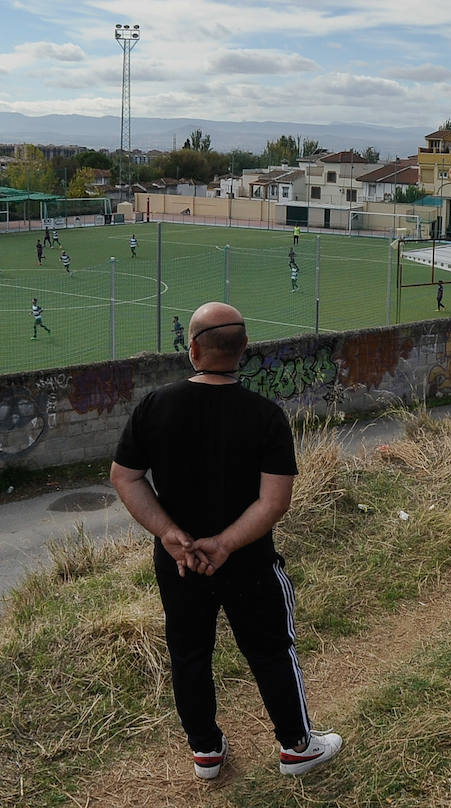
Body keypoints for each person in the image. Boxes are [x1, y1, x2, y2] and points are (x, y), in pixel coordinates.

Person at [109, 302, 343, 780]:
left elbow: (126, 478)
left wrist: (172, 536)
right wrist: (225, 544)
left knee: (189, 653)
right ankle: (297, 747)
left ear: (192, 349)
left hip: (179, 563)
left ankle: (206, 752)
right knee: (272, 650)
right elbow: (274, 501)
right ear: (244, 351)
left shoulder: (155, 405)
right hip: (249, 562)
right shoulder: (266, 415)